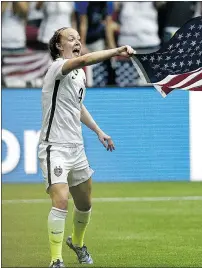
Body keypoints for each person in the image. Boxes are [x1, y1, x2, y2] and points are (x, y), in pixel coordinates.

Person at [37, 27, 134, 268]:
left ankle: (78, 243)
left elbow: (77, 106)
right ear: (59, 46)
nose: (77, 42)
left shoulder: (79, 75)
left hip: (76, 148)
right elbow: (85, 59)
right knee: (60, 201)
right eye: (71, 39)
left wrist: (99, 131)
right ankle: (56, 260)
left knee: (85, 204)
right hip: (54, 147)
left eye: (79, 39)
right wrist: (118, 50)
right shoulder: (57, 67)